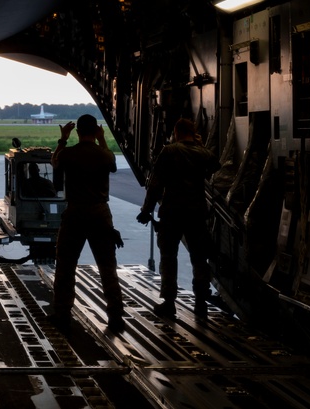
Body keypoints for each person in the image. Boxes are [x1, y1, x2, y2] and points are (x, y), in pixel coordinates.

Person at [136, 117, 221, 320]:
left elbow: (156, 185)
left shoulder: (170, 151)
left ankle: (169, 302)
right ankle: (201, 301)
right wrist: (199, 146)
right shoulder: (203, 153)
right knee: (199, 258)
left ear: (176, 133)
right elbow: (215, 165)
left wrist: (146, 210)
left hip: (173, 211)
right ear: (193, 133)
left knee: (168, 257)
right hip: (197, 212)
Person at [50, 114, 126, 334]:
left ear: (77, 131)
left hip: (75, 212)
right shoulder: (104, 155)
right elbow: (112, 163)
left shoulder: (68, 153)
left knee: (65, 266)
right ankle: (116, 317)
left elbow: (55, 162)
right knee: (107, 268)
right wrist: (103, 140)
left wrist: (62, 139)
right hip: (100, 214)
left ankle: (63, 314)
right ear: (95, 131)